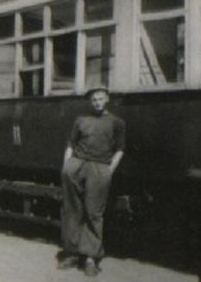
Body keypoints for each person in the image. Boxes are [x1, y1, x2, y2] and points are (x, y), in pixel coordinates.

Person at [57, 86, 126, 277]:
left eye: (100, 98)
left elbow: (120, 149)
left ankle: (90, 258)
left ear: (107, 99)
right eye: (93, 99)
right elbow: (71, 143)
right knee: (72, 210)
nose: (96, 102)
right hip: (76, 166)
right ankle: (71, 253)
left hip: (100, 167)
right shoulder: (81, 120)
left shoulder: (116, 122)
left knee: (94, 212)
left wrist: (109, 169)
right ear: (90, 101)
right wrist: (67, 166)